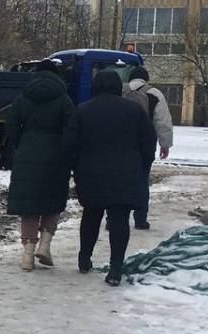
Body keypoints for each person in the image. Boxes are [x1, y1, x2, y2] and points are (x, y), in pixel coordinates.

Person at [63, 70, 157, 286]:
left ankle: (84, 258)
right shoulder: (134, 110)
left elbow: (70, 143)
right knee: (119, 220)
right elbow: (148, 141)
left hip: (90, 173)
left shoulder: (83, 110)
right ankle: (115, 268)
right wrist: (141, 167)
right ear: (118, 87)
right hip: (125, 173)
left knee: (91, 215)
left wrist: (75, 167)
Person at [5, 59, 75, 271]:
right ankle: (45, 244)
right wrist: (65, 150)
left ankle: (28, 254)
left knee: (29, 205)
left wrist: (22, 143)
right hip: (55, 155)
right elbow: (71, 128)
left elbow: (11, 124)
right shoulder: (64, 99)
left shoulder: (23, 97)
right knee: (52, 200)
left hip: (28, 151)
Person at [123, 66, 174, 230]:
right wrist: (165, 144)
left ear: (130, 78)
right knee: (142, 181)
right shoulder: (155, 94)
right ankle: (140, 220)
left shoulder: (120, 91)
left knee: (118, 179)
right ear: (146, 78)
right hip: (144, 145)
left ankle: (115, 218)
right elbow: (163, 121)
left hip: (120, 144)